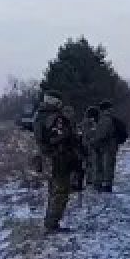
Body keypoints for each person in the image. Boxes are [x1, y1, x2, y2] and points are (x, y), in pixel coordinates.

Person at [38, 92, 79, 233]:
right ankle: (52, 224)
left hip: (46, 157)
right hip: (58, 158)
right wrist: (69, 135)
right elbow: (57, 138)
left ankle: (50, 221)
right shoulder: (55, 118)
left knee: (53, 190)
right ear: (55, 101)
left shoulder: (39, 115)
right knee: (61, 191)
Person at [93, 100, 124, 192]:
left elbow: (102, 134)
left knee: (105, 166)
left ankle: (105, 185)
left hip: (106, 146)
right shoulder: (111, 119)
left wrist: (94, 141)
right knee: (109, 165)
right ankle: (107, 184)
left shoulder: (105, 119)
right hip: (111, 146)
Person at [62, 104, 85, 192]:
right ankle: (71, 185)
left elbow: (77, 136)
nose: (70, 114)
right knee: (69, 169)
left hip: (75, 149)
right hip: (66, 150)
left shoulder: (73, 123)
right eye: (68, 112)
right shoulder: (61, 123)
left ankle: (76, 185)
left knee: (78, 169)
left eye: (71, 112)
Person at [81, 106, 100, 190]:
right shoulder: (92, 123)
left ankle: (89, 180)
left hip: (85, 145)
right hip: (91, 146)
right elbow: (92, 134)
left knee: (87, 163)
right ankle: (91, 180)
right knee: (92, 163)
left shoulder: (84, 123)